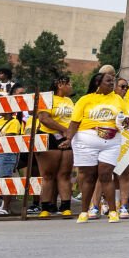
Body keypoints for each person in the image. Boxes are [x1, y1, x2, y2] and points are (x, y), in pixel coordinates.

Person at [68, 65, 129, 223]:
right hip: (87, 139)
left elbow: (125, 120)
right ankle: (84, 212)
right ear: (98, 83)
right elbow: (74, 122)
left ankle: (113, 212)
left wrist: (124, 122)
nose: (111, 83)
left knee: (105, 174)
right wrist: (68, 139)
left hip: (110, 141)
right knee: (89, 177)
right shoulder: (85, 100)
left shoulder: (117, 100)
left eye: (113, 81)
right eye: (108, 81)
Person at [33, 78, 77, 217]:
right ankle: (45, 207)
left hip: (67, 138)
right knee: (48, 175)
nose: (71, 87)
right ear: (60, 85)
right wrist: (63, 129)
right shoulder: (46, 99)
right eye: (69, 84)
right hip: (49, 136)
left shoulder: (69, 101)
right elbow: (44, 118)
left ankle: (65, 207)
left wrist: (69, 133)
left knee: (64, 174)